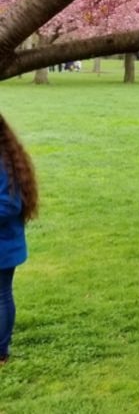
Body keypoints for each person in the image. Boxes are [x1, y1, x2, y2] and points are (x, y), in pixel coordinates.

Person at [0, 115, 38, 367]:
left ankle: (1, 350)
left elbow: (9, 205)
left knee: (1, 295)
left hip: (3, 245)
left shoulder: (2, 161)